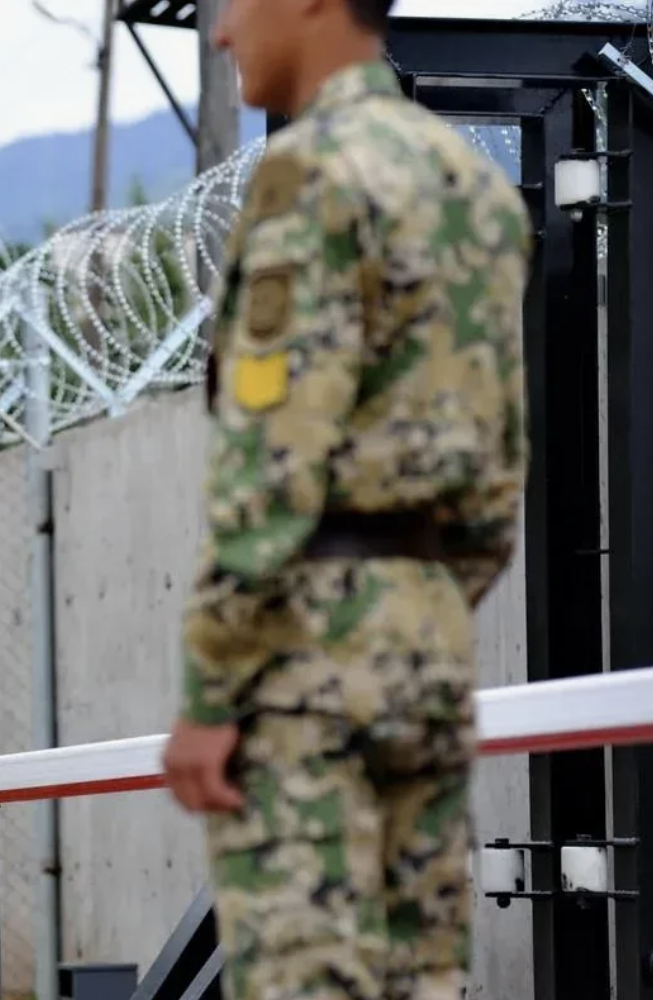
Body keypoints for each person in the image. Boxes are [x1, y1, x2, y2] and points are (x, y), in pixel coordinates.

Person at [162, 1, 534, 998]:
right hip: (429, 646)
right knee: (422, 976)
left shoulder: (308, 174)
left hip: (304, 657)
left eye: (236, 4)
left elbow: (269, 463)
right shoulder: (477, 189)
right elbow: (502, 473)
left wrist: (211, 689)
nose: (224, 34)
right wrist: (424, 599)